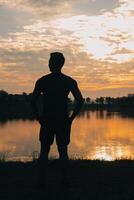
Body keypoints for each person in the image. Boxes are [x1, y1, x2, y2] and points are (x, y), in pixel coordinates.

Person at [32, 52, 83, 188]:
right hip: (62, 120)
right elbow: (80, 101)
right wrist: (71, 118)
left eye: (50, 62)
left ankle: (42, 181)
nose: (48, 64)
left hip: (47, 120)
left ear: (53, 64)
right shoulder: (69, 81)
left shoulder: (43, 80)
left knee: (44, 150)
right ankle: (65, 180)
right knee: (63, 150)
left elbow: (32, 102)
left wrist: (39, 118)